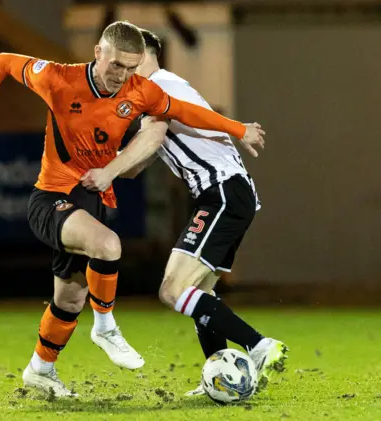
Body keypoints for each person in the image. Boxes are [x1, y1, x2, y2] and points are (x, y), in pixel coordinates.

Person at [0, 21, 266, 398]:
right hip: (52, 197)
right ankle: (105, 327)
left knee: (69, 298)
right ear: (98, 52)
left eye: (131, 68)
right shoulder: (57, 78)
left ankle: (40, 369)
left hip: (91, 201)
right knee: (108, 245)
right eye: (116, 65)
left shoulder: (140, 91)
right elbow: (2, 61)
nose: (122, 76)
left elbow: (186, 112)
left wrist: (238, 129)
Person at [80, 29, 286, 396]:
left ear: (142, 54)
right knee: (199, 293)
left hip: (220, 192)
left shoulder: (160, 88)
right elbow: (139, 159)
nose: (121, 70)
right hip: (229, 193)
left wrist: (107, 169)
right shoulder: (166, 87)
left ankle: (258, 346)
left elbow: (152, 140)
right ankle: (223, 377)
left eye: (127, 59)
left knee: (173, 290)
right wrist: (106, 167)